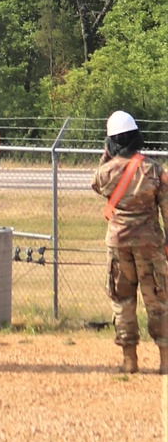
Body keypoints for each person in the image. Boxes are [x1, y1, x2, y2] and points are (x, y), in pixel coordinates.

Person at [91, 110, 168, 375]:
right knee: (158, 300)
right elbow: (167, 210)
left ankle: (129, 360)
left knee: (122, 300)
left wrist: (107, 153)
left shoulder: (106, 172)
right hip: (150, 244)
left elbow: (96, 183)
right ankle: (165, 360)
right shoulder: (154, 170)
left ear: (111, 142)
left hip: (118, 244)